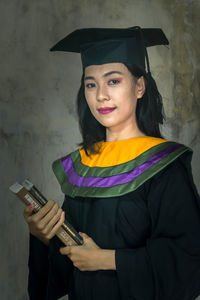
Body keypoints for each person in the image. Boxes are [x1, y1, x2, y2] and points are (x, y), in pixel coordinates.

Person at [24, 26, 200, 300]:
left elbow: (188, 261)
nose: (101, 95)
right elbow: (62, 272)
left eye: (113, 81)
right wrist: (44, 235)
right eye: (90, 84)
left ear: (139, 86)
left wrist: (108, 260)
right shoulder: (83, 168)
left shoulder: (164, 165)